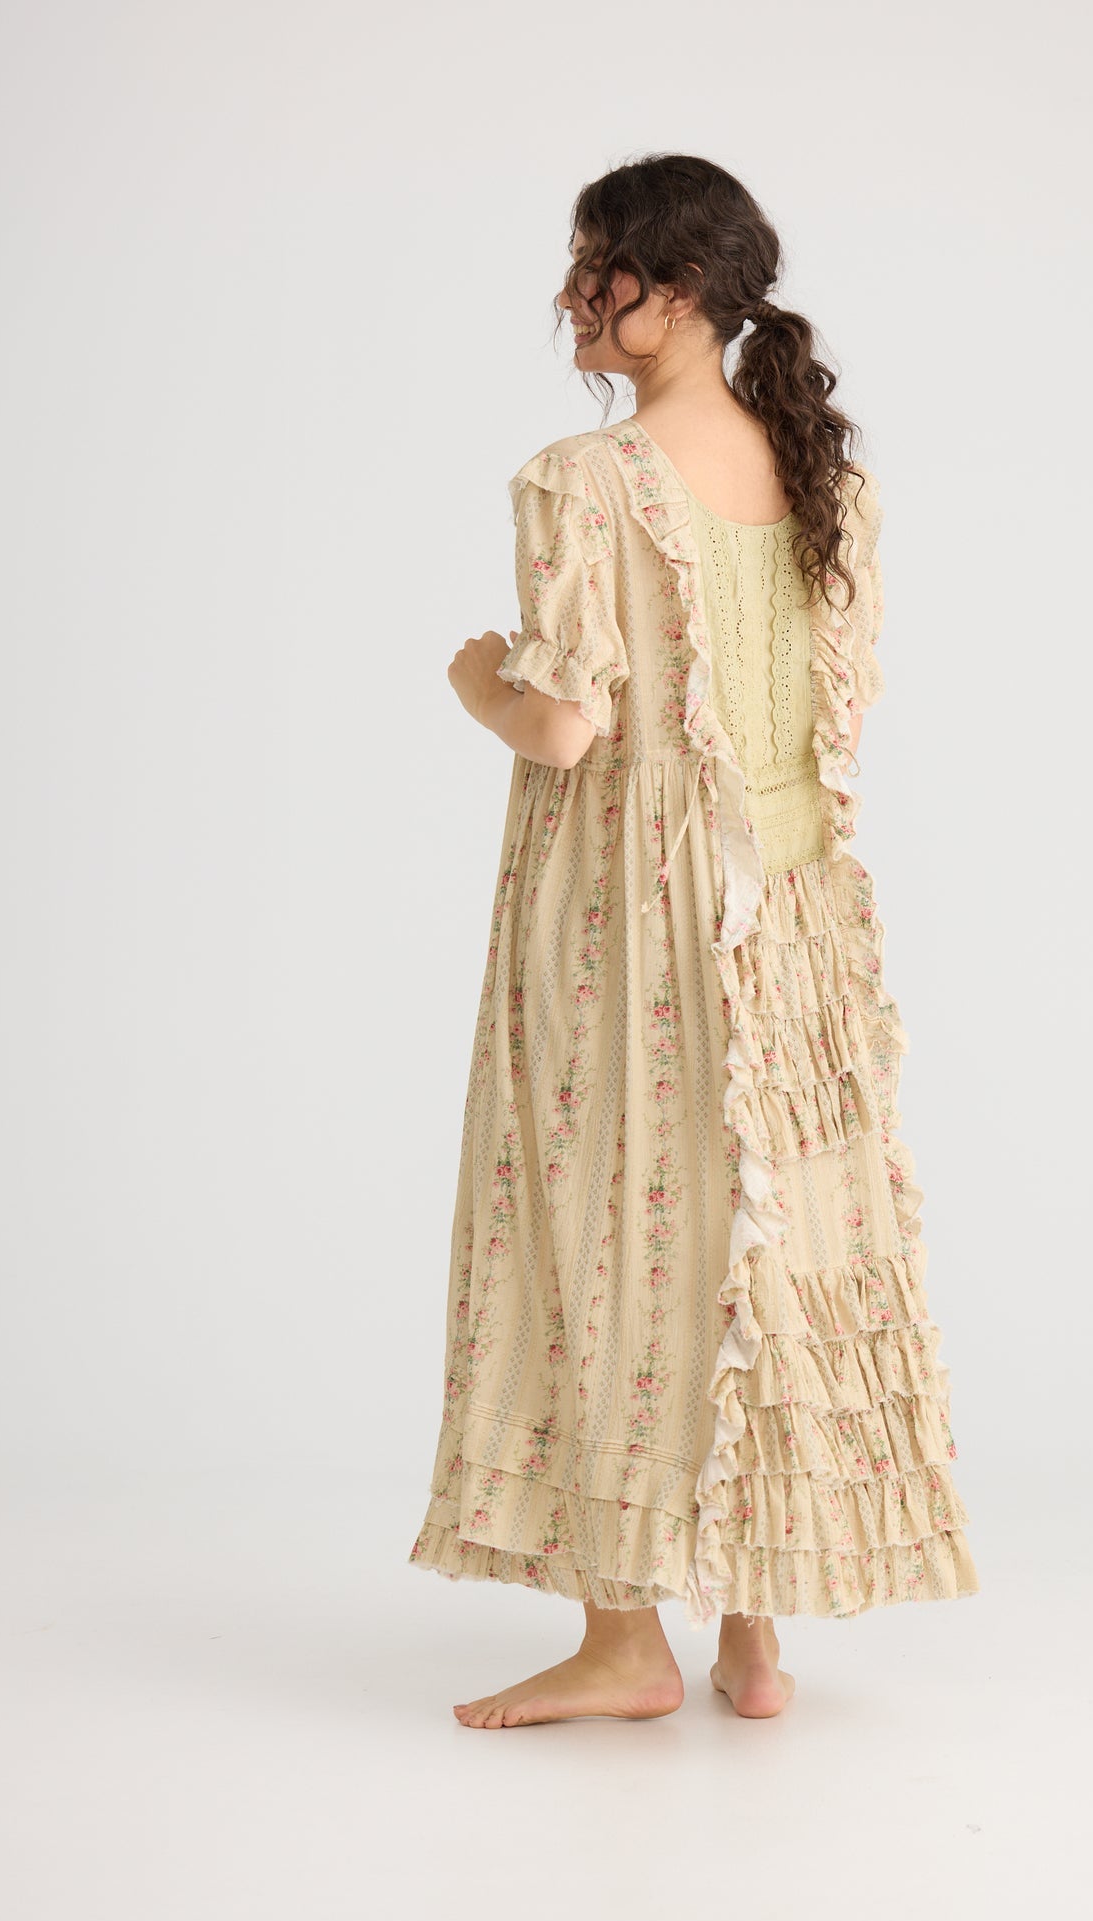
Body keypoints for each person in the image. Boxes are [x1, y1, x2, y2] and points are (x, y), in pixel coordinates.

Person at [408, 153, 979, 1728]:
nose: (571, 296)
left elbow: (568, 728)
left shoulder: (585, 481)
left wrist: (474, 682)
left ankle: (622, 1644)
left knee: (617, 1233)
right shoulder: (822, 474)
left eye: (594, 267)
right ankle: (754, 1640)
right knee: (764, 1243)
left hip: (635, 917)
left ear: (671, 292)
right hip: (792, 907)